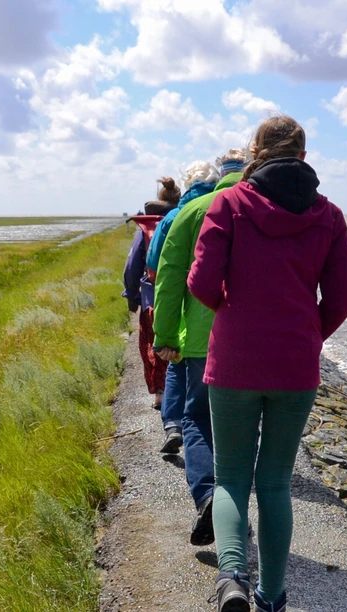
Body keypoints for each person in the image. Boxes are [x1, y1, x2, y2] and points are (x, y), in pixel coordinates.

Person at [188, 116, 347, 612]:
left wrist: (234, 312)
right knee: (276, 481)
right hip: (294, 366)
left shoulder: (230, 204)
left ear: (255, 152)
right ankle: (272, 597)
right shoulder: (328, 214)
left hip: (235, 360)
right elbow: (343, 296)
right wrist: (308, 333)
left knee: (231, 477)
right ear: (303, 157)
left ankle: (233, 578)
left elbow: (201, 281)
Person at [151, 149, 247, 545]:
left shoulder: (190, 212)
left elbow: (169, 276)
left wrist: (166, 336)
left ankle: (208, 495)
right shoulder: (257, 205)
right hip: (251, 339)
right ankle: (235, 510)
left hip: (200, 339)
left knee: (199, 422)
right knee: (240, 431)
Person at [148, 161, 221, 455]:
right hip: (217, 313)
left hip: (181, 307)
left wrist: (161, 333)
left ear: (188, 184)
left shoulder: (177, 216)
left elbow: (156, 268)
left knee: (177, 365)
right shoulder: (225, 208)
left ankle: (173, 425)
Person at [122, 182, 179, 409]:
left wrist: (131, 294)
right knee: (176, 344)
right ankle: (180, 392)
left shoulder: (145, 226)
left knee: (151, 345)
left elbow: (132, 265)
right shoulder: (181, 219)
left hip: (151, 297)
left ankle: (160, 394)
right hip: (179, 294)